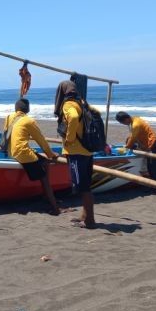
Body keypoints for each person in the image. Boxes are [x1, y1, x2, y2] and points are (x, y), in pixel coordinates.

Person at [4, 98, 61, 215]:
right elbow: (41, 141)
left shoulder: (9, 117)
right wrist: (51, 154)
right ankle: (55, 208)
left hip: (12, 152)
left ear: (16, 109)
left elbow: (6, 134)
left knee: (45, 162)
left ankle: (46, 196)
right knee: (44, 179)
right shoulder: (29, 121)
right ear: (28, 109)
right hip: (23, 153)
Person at [54, 79, 96, 229]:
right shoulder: (82, 103)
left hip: (76, 151)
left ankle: (90, 221)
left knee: (83, 187)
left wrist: (70, 139)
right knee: (86, 185)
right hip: (86, 150)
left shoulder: (69, 105)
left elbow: (72, 117)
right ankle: (85, 216)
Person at [116, 111, 156, 183]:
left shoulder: (136, 124)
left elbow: (133, 138)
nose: (123, 124)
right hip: (151, 145)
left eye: (122, 122)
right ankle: (154, 184)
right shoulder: (135, 119)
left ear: (126, 119)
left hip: (154, 145)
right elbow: (133, 135)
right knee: (151, 168)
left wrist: (126, 148)